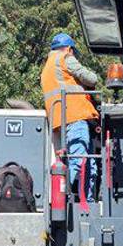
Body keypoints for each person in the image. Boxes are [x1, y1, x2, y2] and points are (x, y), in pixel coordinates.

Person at [41, 32, 99, 200]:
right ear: (69, 48)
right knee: (79, 160)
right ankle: (62, 197)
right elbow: (91, 79)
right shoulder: (65, 57)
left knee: (88, 163)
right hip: (74, 115)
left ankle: (87, 200)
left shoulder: (47, 67)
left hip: (60, 118)